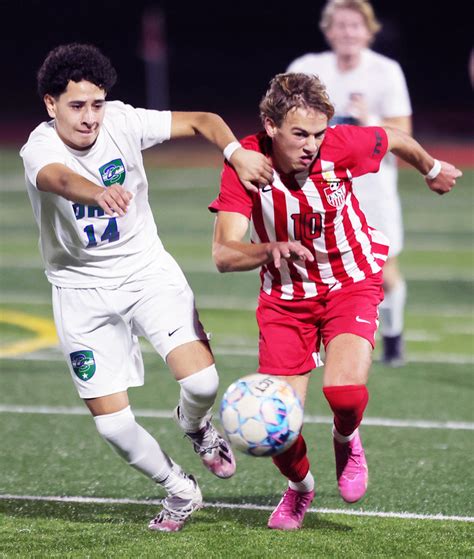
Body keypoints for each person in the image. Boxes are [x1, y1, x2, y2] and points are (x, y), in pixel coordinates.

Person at [19, 43, 273, 533]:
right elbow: (56, 179)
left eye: (97, 103)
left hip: (146, 273)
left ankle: (195, 425)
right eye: (77, 106)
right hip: (80, 292)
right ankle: (179, 489)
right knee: (113, 425)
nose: (91, 117)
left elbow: (203, 119)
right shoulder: (40, 147)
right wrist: (97, 191)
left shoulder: (123, 120)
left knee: (202, 384)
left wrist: (237, 154)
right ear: (51, 105)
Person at [209, 72, 461, 530]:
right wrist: (269, 251)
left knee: (344, 393)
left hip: (351, 281)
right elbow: (224, 253)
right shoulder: (246, 165)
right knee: (278, 430)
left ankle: (347, 439)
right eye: (299, 134)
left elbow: (393, 137)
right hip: (286, 299)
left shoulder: (341, 145)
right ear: (270, 125)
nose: (311, 145)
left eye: (318, 134)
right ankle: (300, 490)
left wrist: (430, 168)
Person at [287, 0, 412, 366]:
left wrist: (367, 118)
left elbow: (403, 137)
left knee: (384, 272)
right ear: (328, 30)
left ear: (369, 31)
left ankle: (392, 335)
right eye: (340, 25)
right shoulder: (307, 68)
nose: (347, 32)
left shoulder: (386, 72)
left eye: (355, 25)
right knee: (315, 266)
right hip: (319, 188)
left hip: (372, 187)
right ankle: (315, 340)